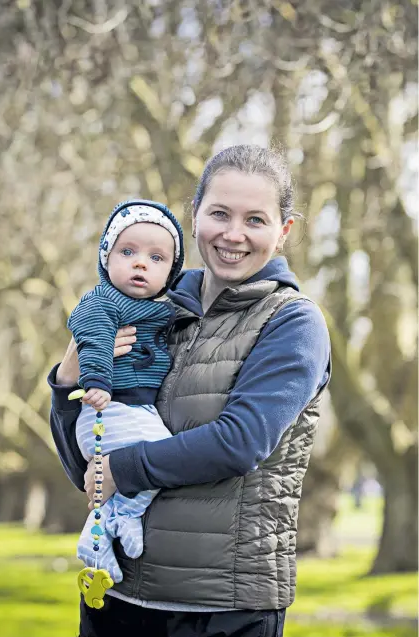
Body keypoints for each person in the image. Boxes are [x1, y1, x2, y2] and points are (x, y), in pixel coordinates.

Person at [48, 144, 331, 637]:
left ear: (283, 232)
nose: (233, 234)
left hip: (220, 610)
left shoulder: (293, 323)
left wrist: (120, 469)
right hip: (113, 595)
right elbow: (87, 469)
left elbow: (238, 443)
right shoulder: (148, 309)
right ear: (194, 214)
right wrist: (68, 380)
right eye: (219, 213)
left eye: (256, 220)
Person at [66, 199, 184, 583]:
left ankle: (110, 528)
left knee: (158, 456)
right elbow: (95, 337)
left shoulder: (160, 308)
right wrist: (96, 382)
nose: (140, 263)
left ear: (170, 272)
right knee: (158, 455)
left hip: (134, 410)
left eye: (156, 258)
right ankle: (114, 527)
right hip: (108, 408)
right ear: (106, 258)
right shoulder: (103, 301)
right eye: (128, 252)